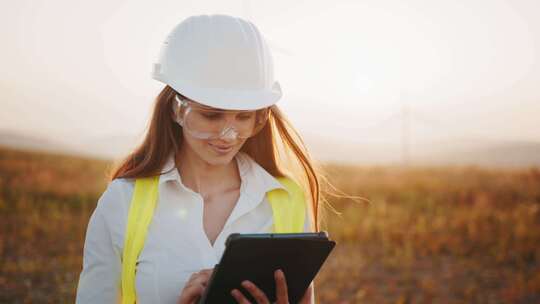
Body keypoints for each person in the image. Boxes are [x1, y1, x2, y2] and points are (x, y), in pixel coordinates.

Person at [75, 14, 323, 304]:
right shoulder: (122, 202)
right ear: (176, 109)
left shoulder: (286, 199)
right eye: (211, 115)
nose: (229, 136)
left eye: (244, 117)